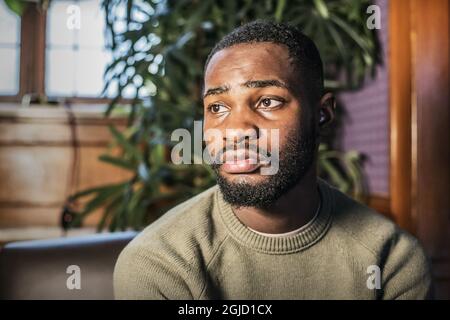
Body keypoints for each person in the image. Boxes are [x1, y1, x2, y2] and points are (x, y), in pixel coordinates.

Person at [114, 20, 432, 299]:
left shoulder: (393, 262)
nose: (235, 131)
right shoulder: (159, 263)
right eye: (217, 108)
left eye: (268, 101)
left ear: (322, 114)